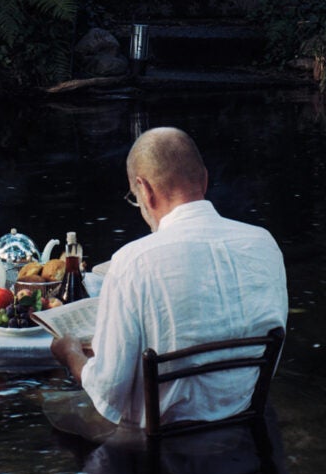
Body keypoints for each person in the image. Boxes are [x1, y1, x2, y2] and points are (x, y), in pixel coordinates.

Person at [49, 126, 288, 432]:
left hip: (159, 446)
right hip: (245, 426)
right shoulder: (264, 243)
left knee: (51, 410)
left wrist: (71, 356)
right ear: (204, 178)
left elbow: (110, 393)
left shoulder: (132, 261)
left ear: (144, 190)